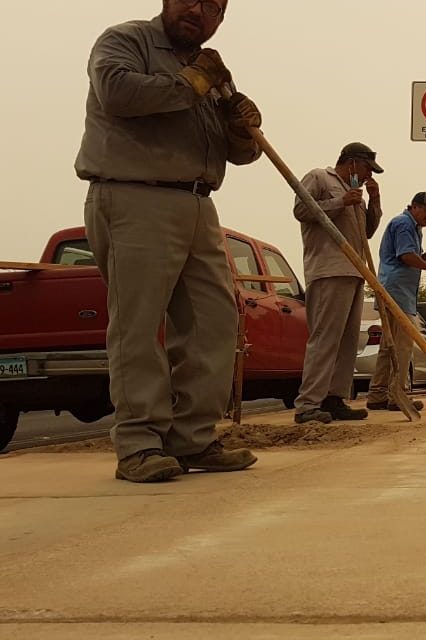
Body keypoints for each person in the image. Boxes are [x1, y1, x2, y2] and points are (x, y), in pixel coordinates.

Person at [76, 0, 261, 483]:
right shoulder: (126, 40)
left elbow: (239, 154)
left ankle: (192, 437)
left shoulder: (211, 69)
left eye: (213, 6)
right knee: (138, 327)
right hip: (134, 194)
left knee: (213, 324)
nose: (199, 11)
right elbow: (117, 93)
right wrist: (193, 82)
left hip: (198, 201)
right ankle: (139, 444)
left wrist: (242, 130)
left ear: (221, 19)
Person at [292, 142, 384, 423]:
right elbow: (301, 210)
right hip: (329, 269)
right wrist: (340, 202)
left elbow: (366, 232)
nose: (369, 175)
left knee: (347, 341)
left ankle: (334, 398)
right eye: (367, 168)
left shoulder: (356, 194)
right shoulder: (320, 177)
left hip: (355, 271)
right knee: (325, 338)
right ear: (352, 163)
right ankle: (308, 403)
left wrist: (374, 201)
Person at [366, 192, 426, 412]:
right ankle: (396, 395)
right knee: (402, 346)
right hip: (396, 293)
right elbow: (405, 256)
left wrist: (423, 258)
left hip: (398, 292)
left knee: (388, 346)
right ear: (415, 207)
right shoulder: (404, 224)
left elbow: (407, 255)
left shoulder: (413, 227)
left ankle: (377, 394)